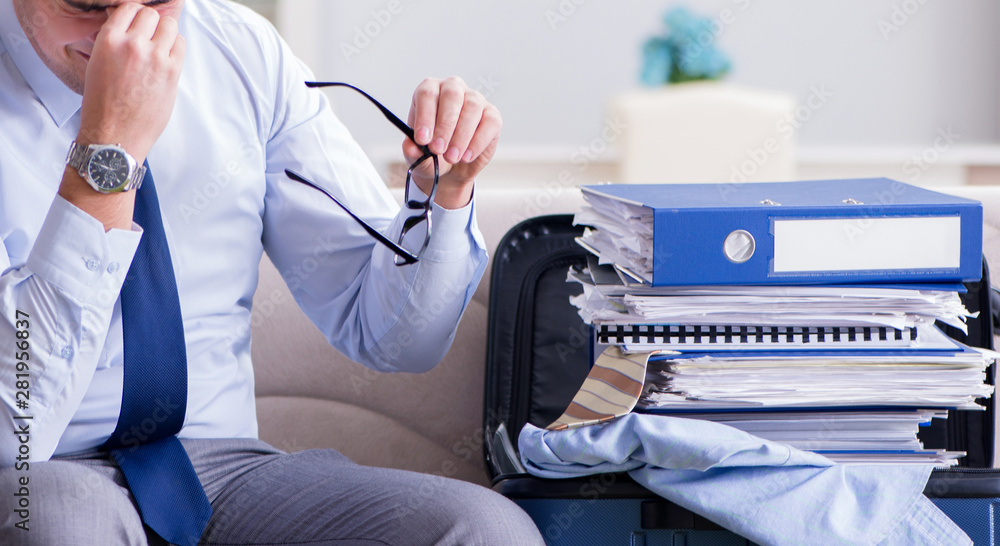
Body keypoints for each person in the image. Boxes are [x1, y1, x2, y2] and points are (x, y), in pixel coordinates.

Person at [0, 0, 544, 544]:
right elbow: (10, 428)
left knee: (488, 530)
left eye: (156, 4)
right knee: (62, 519)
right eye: (87, 6)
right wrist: (108, 148)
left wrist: (440, 195)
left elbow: (393, 338)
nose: (126, 34)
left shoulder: (242, 52)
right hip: (42, 466)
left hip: (223, 467)